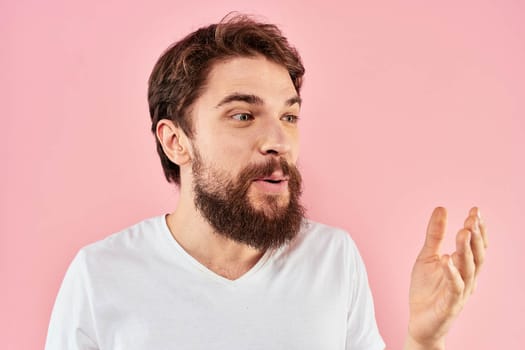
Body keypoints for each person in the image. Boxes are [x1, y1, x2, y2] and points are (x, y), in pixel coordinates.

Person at [45, 14, 488, 350]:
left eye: (289, 116)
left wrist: (424, 340)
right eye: (243, 116)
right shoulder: (100, 276)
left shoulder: (333, 260)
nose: (279, 141)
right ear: (176, 141)